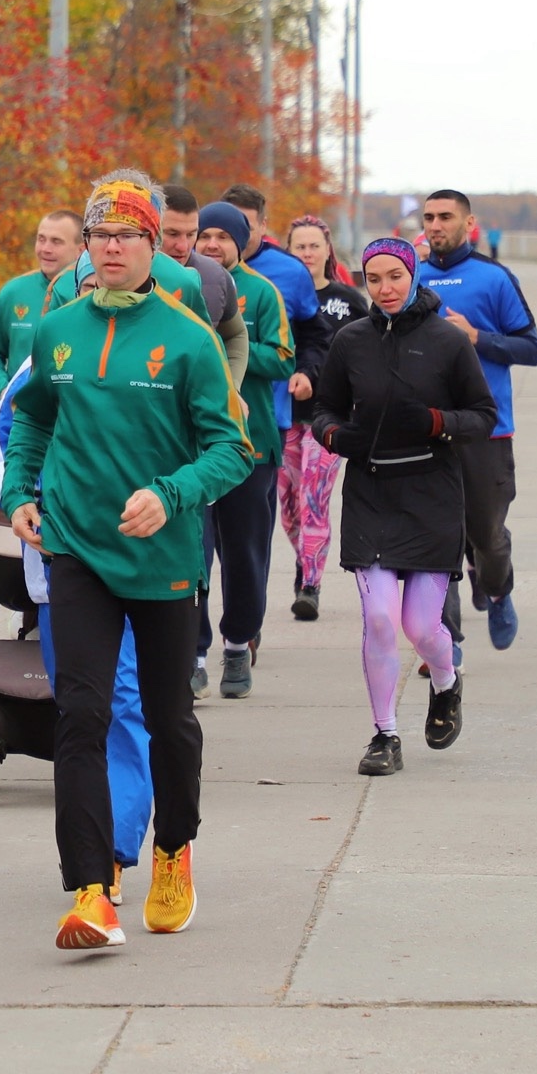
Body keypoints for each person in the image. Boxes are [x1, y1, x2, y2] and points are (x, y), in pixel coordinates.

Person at [0, 174, 253, 951]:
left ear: (153, 248)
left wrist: (171, 494)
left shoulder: (188, 339)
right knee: (80, 713)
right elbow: (32, 420)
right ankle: (92, 888)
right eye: (99, 234)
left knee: (170, 721)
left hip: (163, 556)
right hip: (76, 547)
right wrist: (19, 492)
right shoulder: (57, 329)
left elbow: (231, 449)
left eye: (127, 236)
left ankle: (173, 849)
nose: (111, 247)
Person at [311, 238, 495, 775]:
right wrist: (332, 435)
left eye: (395, 276)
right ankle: (384, 734)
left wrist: (438, 422)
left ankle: (446, 679)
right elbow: (324, 407)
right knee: (379, 619)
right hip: (370, 490)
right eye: (374, 279)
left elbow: (482, 415)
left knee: (420, 626)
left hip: (431, 492)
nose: (385, 289)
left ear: (413, 275)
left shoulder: (448, 341)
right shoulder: (350, 340)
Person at [414, 189, 537, 653]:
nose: (435, 225)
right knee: (438, 537)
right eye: (428, 217)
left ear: (470, 223)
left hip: (488, 429)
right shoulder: (410, 278)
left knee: (486, 533)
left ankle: (497, 587)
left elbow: (532, 348)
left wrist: (476, 337)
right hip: (428, 429)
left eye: (445, 217)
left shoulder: (494, 278)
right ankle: (449, 637)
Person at [191, 202, 294, 698]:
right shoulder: (185, 284)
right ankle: (193, 654)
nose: (212, 244)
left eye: (222, 237)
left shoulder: (261, 291)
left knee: (245, 555)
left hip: (250, 449)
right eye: (203, 235)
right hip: (192, 448)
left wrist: (229, 351)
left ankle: (237, 645)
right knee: (193, 553)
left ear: (242, 241)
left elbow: (282, 357)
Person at [281, 218, 368, 620]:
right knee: (289, 507)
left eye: (314, 246)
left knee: (313, 500)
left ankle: (311, 584)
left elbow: (370, 353)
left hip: (327, 420)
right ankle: (304, 560)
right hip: (283, 418)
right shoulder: (276, 295)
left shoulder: (347, 300)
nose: (307, 254)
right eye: (300, 247)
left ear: (327, 250)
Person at [218, 183, 333, 440]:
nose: (237, 234)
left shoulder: (291, 271)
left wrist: (306, 371)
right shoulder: (196, 265)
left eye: (245, 226)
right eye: (228, 227)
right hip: (204, 414)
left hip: (266, 416)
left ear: (263, 225)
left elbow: (315, 334)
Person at [0, 208, 83, 394]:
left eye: (56, 242)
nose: (45, 249)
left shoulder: (90, 292)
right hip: (19, 414)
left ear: (81, 249)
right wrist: (3, 390)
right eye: (41, 239)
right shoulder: (13, 292)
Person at [157, 186, 250, 389]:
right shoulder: (116, 272)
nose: (183, 246)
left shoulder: (215, 277)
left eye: (191, 234)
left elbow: (236, 335)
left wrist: (231, 389)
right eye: (172, 234)